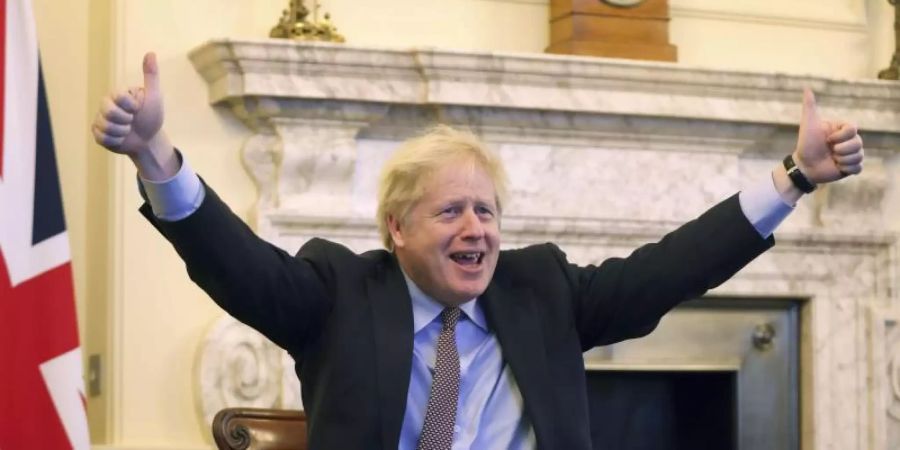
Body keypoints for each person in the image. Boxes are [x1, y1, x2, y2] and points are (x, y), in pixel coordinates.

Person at [92, 53, 864, 450]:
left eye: (487, 212)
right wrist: (156, 154)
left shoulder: (544, 291)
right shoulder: (340, 293)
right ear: (396, 228)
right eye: (452, 211)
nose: (478, 231)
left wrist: (793, 178)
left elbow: (673, 266)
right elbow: (237, 264)